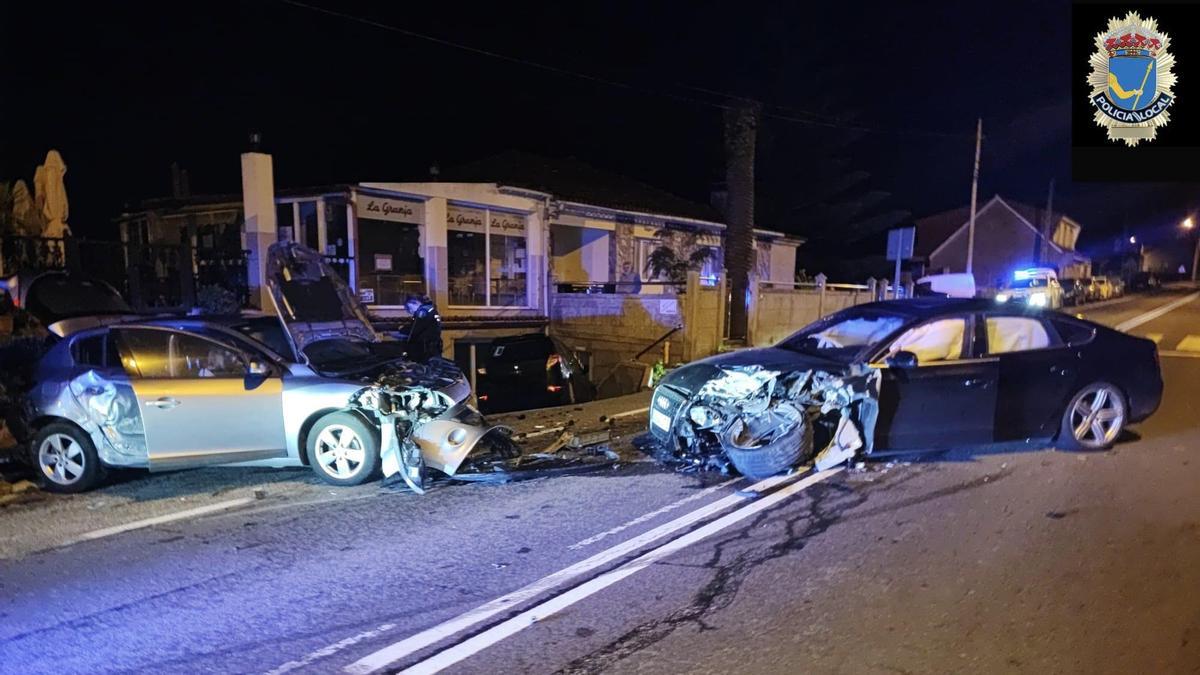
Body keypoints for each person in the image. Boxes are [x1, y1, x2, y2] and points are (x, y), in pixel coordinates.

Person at [403, 295, 442, 362]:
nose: (410, 311)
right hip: (433, 346)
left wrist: (402, 329)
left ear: (414, 303)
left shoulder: (423, 311)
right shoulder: (431, 309)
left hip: (424, 348)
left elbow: (415, 329)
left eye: (409, 308)